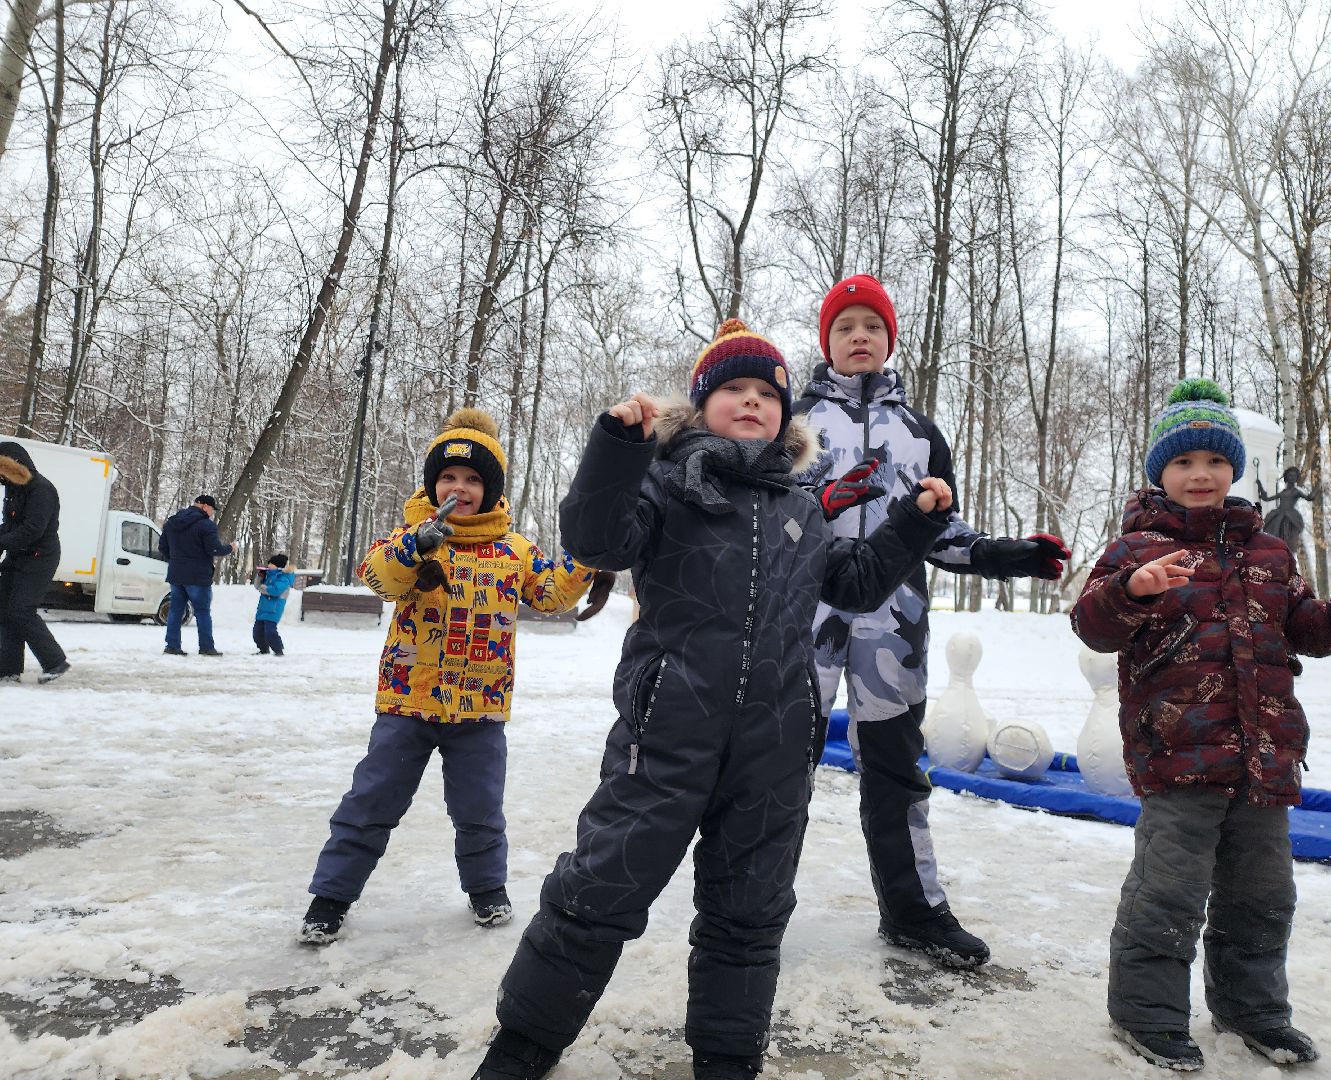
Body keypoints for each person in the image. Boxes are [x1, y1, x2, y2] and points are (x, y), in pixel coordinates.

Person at [474, 319, 958, 1080]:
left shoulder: (803, 507)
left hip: (774, 753)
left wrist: (912, 523)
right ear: (700, 405)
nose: (752, 401)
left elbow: (858, 582)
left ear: (785, 415)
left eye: (767, 392)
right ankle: (523, 1045)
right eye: (734, 388)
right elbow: (596, 541)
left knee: (750, 913)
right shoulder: (664, 485)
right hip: (665, 739)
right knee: (599, 888)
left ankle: (729, 1058)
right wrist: (616, 449)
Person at [1070, 378, 1331, 1072]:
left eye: (1215, 460)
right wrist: (1131, 591)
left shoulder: (1269, 554)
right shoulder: (1135, 549)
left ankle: (1252, 1009)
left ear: (1235, 468)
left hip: (1264, 761)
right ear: (1160, 472)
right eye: (1183, 461)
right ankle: (1146, 1012)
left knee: (1263, 897)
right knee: (1168, 892)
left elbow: (1312, 628)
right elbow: (1092, 625)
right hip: (1178, 759)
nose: (1200, 474)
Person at [795, 274, 1070, 970]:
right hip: (802, 622)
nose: (860, 336)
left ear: (890, 340)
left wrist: (1004, 554)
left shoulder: (921, 433)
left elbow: (941, 531)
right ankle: (752, 903)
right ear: (827, 341)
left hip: (893, 628)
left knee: (896, 772)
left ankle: (913, 911)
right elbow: (772, 520)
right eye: (845, 326)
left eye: (873, 326)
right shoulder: (793, 423)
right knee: (777, 766)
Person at [299, 408, 602, 946]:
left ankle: (486, 889)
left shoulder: (514, 550)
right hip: (407, 703)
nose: (458, 488)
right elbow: (379, 579)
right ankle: (330, 897)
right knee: (371, 801)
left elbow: (551, 594)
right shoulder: (411, 538)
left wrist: (588, 556)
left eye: (472, 480)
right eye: (447, 476)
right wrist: (416, 546)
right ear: (431, 483)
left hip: (480, 709)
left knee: (479, 809)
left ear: (491, 490)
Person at [0, 442, 69, 684]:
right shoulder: (13, 489)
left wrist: (2, 542)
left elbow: (33, 530)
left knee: (21, 610)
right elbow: (11, 524)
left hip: (40, 557)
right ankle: (7, 669)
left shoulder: (42, 490)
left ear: (14, 466)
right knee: (4, 609)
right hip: (17, 555)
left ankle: (55, 661)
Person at [158, 493, 234, 656]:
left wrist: (176, 560)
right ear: (205, 506)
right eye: (212, 509)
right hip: (198, 576)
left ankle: (172, 646)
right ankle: (206, 647)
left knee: (175, 611)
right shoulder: (206, 526)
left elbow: (162, 547)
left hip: (176, 574)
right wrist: (230, 548)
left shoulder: (172, 523)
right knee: (202, 612)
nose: (212, 513)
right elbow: (214, 549)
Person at [1256, 466, 1316, 551]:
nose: (1292, 477)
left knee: (1287, 535)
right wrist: (1259, 485)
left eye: (1294, 476)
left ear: (1297, 478)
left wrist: (1312, 495)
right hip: (1278, 514)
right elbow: (1266, 498)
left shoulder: (1296, 491)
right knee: (1273, 532)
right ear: (1286, 477)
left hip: (1290, 516)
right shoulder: (1283, 492)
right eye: (1290, 475)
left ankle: (1286, 549)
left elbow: (1308, 498)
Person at [252, 553, 296, 656]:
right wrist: (260, 576)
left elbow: (276, 590)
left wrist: (265, 588)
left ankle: (278, 650)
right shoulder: (268, 575)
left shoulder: (283, 578)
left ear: (278, 566)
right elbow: (257, 586)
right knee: (257, 632)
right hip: (263, 608)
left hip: (274, 609)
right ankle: (263, 649)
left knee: (270, 632)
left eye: (271, 564)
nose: (269, 566)